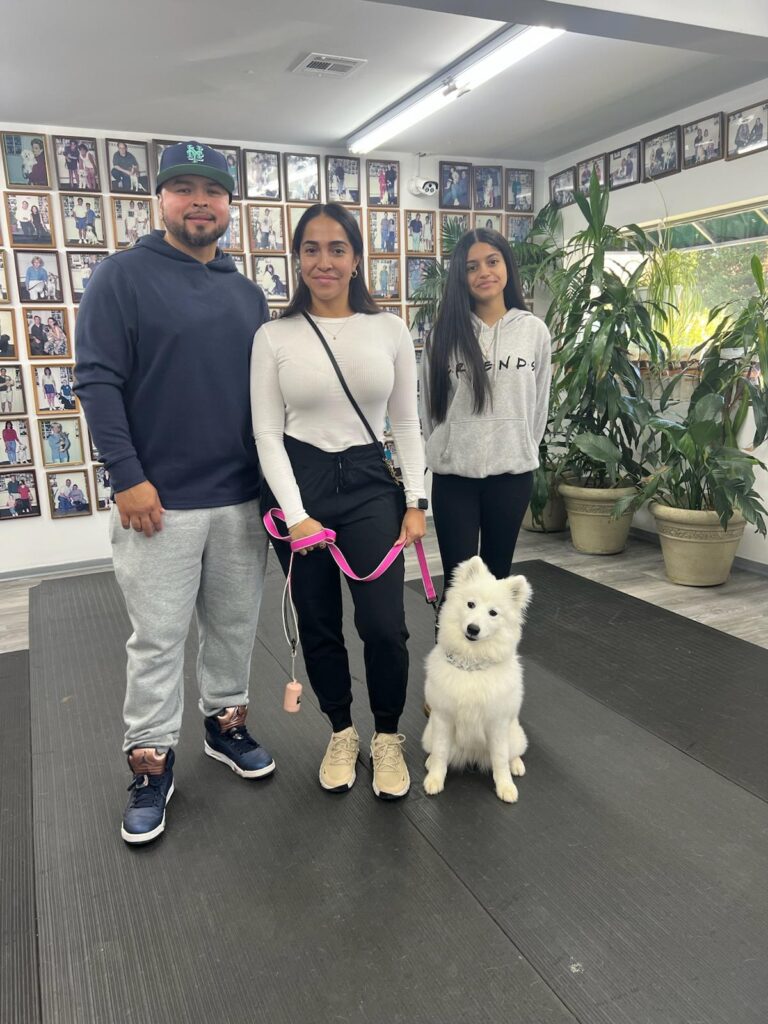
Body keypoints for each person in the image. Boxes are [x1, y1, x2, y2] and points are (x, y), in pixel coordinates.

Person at [75, 141, 274, 845]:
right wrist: (126, 477)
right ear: (159, 199)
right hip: (155, 503)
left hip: (239, 500)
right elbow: (96, 380)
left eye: (214, 191)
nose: (200, 202)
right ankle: (151, 760)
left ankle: (225, 724)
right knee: (157, 640)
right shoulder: (119, 279)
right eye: (184, 188)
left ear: (228, 206)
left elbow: (262, 400)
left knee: (232, 627)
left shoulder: (247, 294)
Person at [251, 202, 427, 799]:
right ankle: (340, 730)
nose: (323, 261)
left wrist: (417, 500)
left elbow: (407, 423)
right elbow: (266, 435)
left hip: (370, 483)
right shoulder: (273, 336)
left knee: (384, 625)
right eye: (311, 249)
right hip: (299, 484)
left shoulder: (390, 329)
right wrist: (297, 516)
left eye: (336, 249)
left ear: (356, 258)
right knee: (319, 620)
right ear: (297, 259)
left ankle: (386, 735)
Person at [420, 228, 551, 595]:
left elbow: (538, 403)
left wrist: (523, 444)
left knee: (495, 586)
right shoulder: (442, 335)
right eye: (471, 267)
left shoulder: (534, 332)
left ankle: (492, 655)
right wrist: (446, 446)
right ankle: (452, 654)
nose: (484, 273)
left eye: (492, 262)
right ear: (461, 277)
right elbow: (430, 408)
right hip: (455, 477)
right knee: (458, 587)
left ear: (506, 265)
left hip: (511, 475)